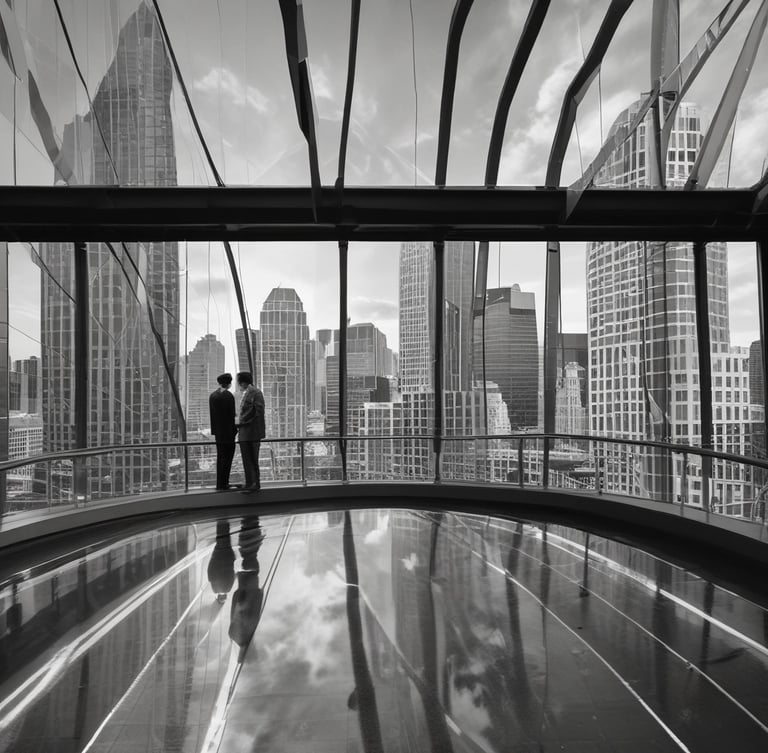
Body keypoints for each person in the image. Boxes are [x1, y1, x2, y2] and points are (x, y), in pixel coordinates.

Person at [236, 371, 265, 493]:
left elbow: (257, 411)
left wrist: (242, 421)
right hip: (246, 432)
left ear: (242, 382)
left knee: (252, 459)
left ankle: (254, 484)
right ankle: (249, 483)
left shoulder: (255, 393)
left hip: (251, 432)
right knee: (247, 459)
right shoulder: (248, 393)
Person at [209, 372, 237, 490]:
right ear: (229, 383)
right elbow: (232, 415)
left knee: (221, 457)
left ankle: (220, 483)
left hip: (218, 432)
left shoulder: (213, 395)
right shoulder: (228, 396)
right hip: (228, 433)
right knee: (228, 458)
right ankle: (224, 483)